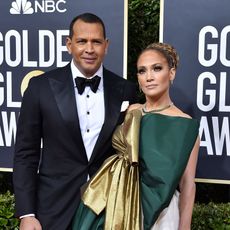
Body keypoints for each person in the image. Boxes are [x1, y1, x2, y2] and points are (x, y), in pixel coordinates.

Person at [13, 13, 137, 230]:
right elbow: (26, 154)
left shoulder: (126, 89)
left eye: (96, 42)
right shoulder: (40, 87)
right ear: (69, 45)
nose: (89, 49)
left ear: (106, 46)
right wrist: (27, 213)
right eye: (82, 41)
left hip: (106, 210)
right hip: (52, 210)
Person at [72, 42, 200, 230]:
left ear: (171, 73)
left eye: (157, 68)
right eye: (142, 71)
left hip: (159, 213)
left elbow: (188, 183)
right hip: (116, 203)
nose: (149, 77)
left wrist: (185, 226)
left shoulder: (185, 124)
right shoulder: (132, 110)